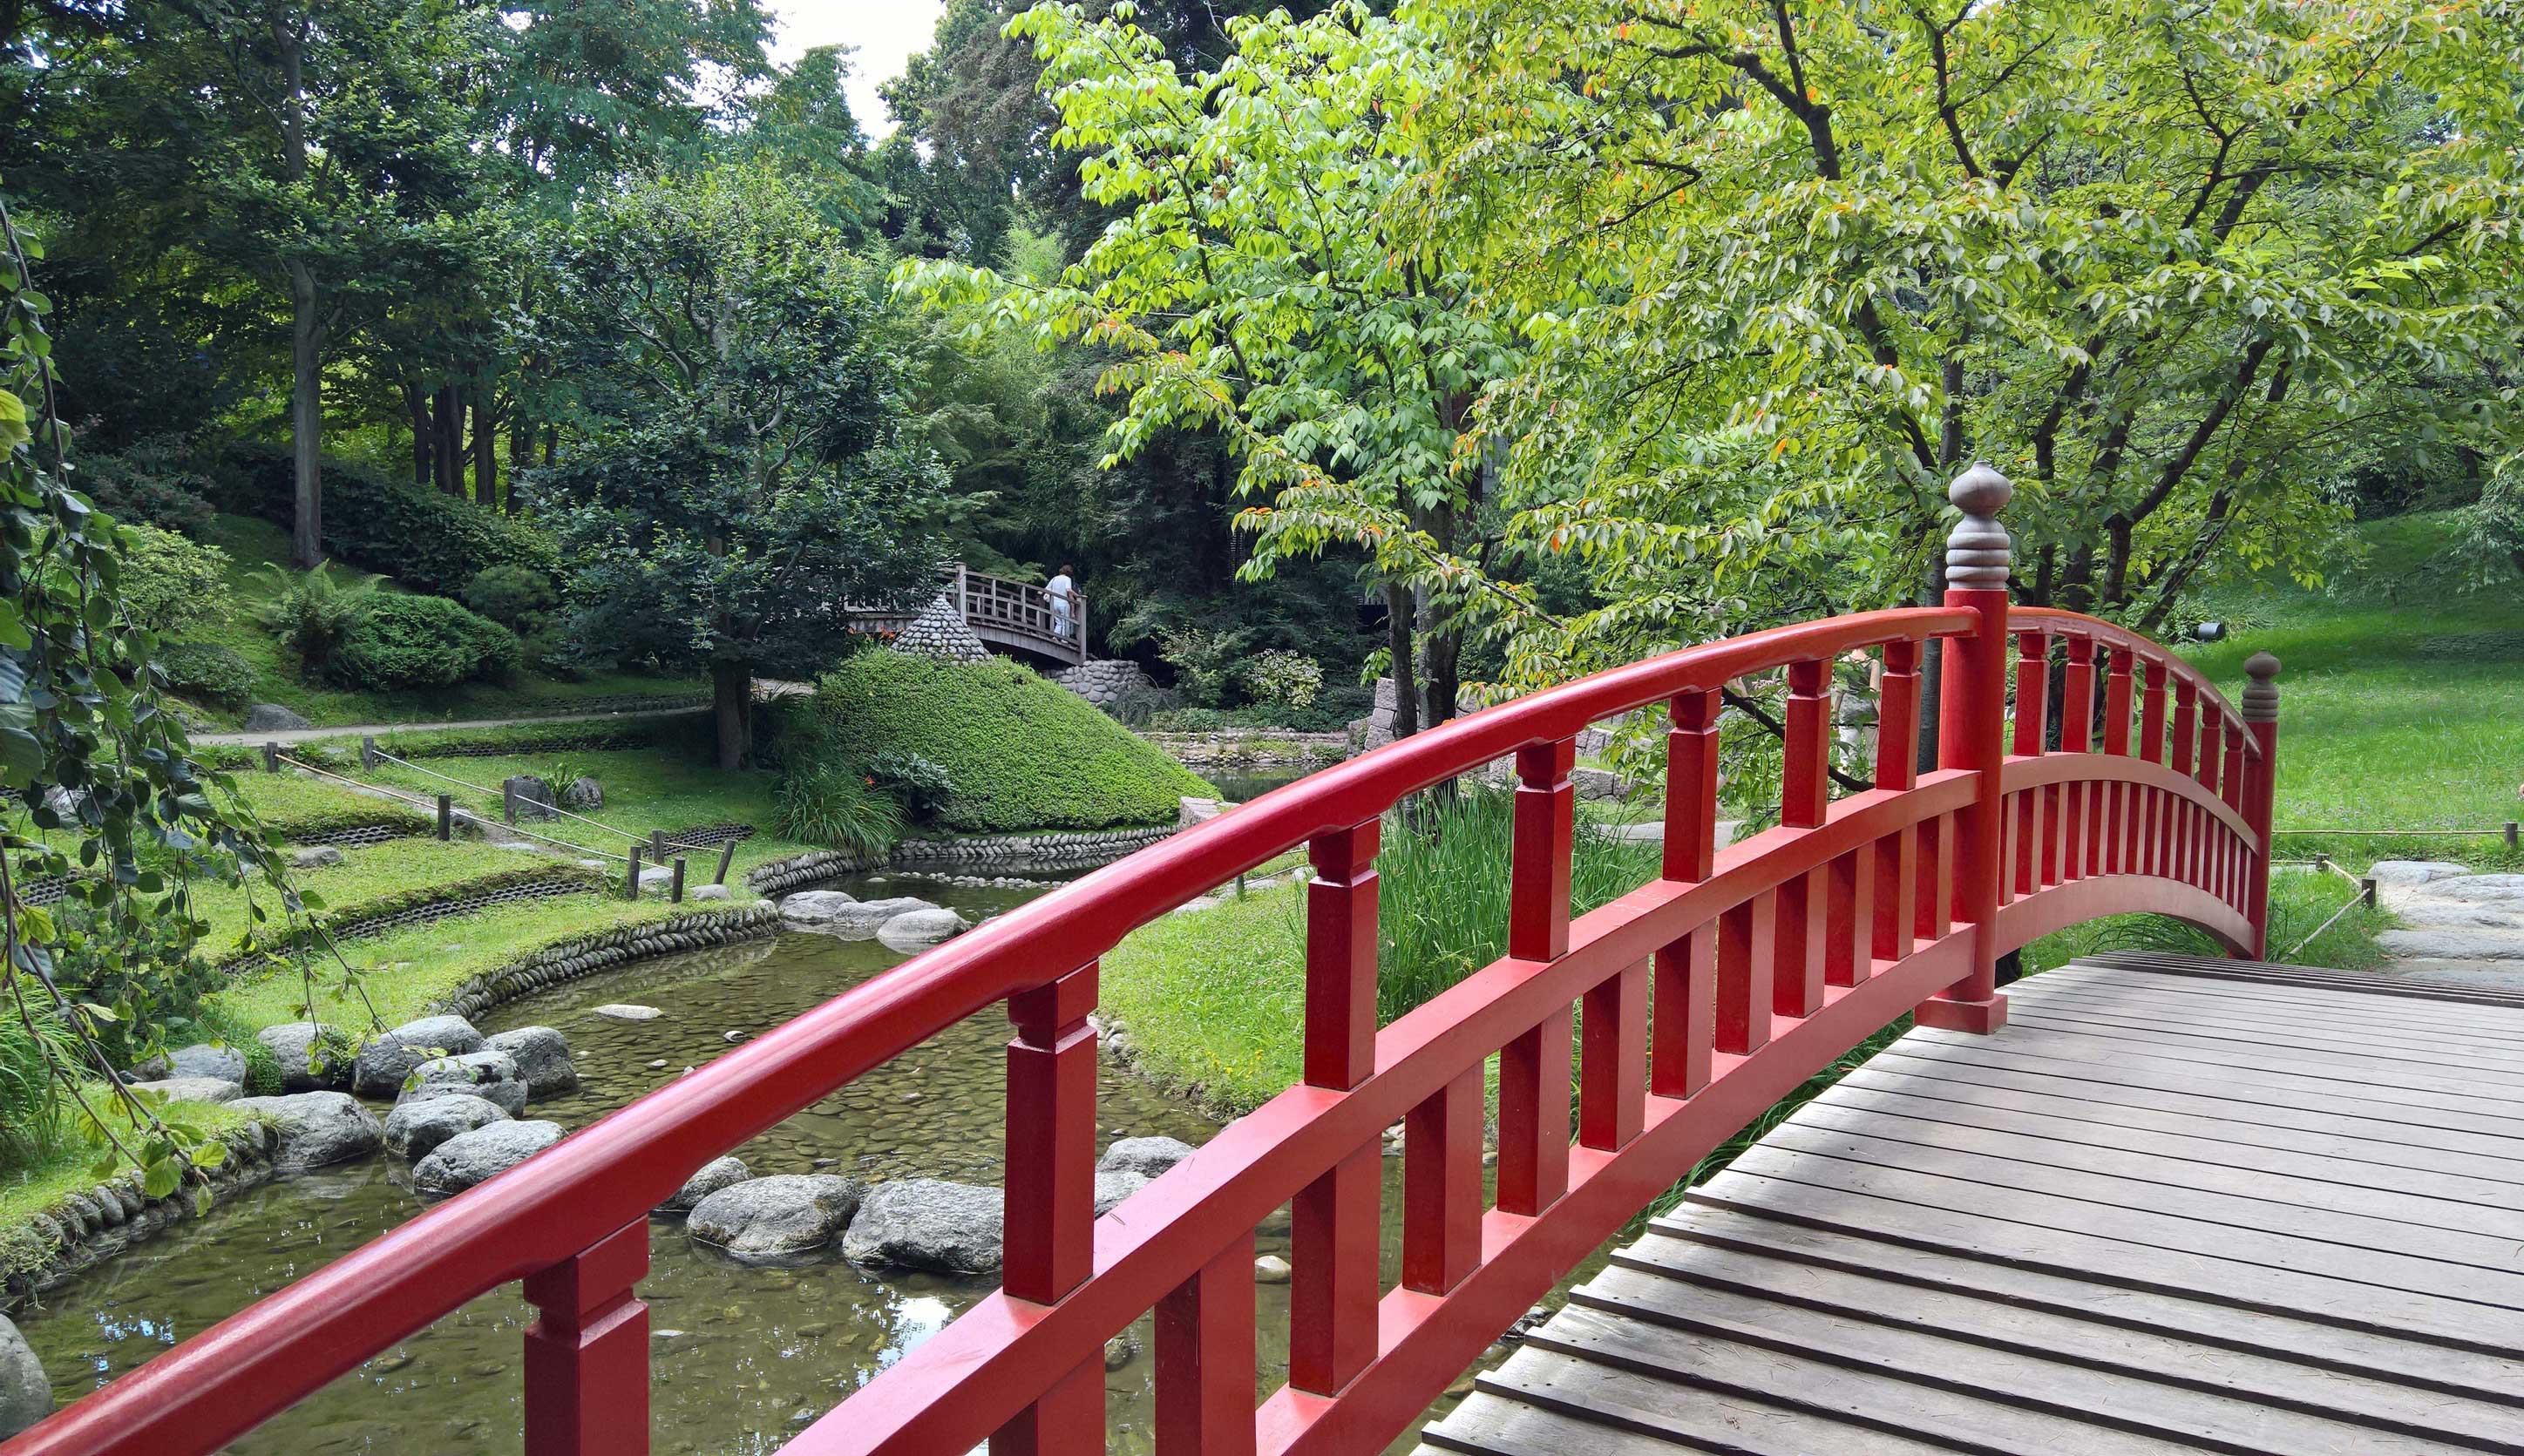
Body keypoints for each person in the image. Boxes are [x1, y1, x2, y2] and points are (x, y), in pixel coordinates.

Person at [1045, 564, 1077, 642]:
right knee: (1065, 622)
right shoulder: (1067, 579)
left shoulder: (1054, 578)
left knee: (1058, 622)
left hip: (1054, 603)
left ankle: (1055, 636)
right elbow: (1068, 589)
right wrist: (1078, 595)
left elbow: (1047, 589)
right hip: (1063, 603)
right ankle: (1064, 640)